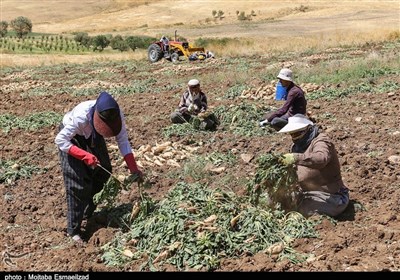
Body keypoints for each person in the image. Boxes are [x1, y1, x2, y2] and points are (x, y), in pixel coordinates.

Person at [55, 91, 143, 244]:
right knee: (77, 183)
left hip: (93, 135)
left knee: (104, 171)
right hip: (72, 139)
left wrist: (133, 168)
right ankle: (73, 230)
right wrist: (85, 156)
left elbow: (123, 142)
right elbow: (60, 140)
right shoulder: (81, 117)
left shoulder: (116, 115)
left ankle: (88, 211)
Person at [278, 114, 350, 218]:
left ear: (307, 129)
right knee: (277, 203)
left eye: (297, 133)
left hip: (331, 197)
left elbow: (321, 159)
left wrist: (296, 158)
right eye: (292, 134)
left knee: (299, 212)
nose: (294, 138)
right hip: (307, 194)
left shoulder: (321, 141)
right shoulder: (296, 146)